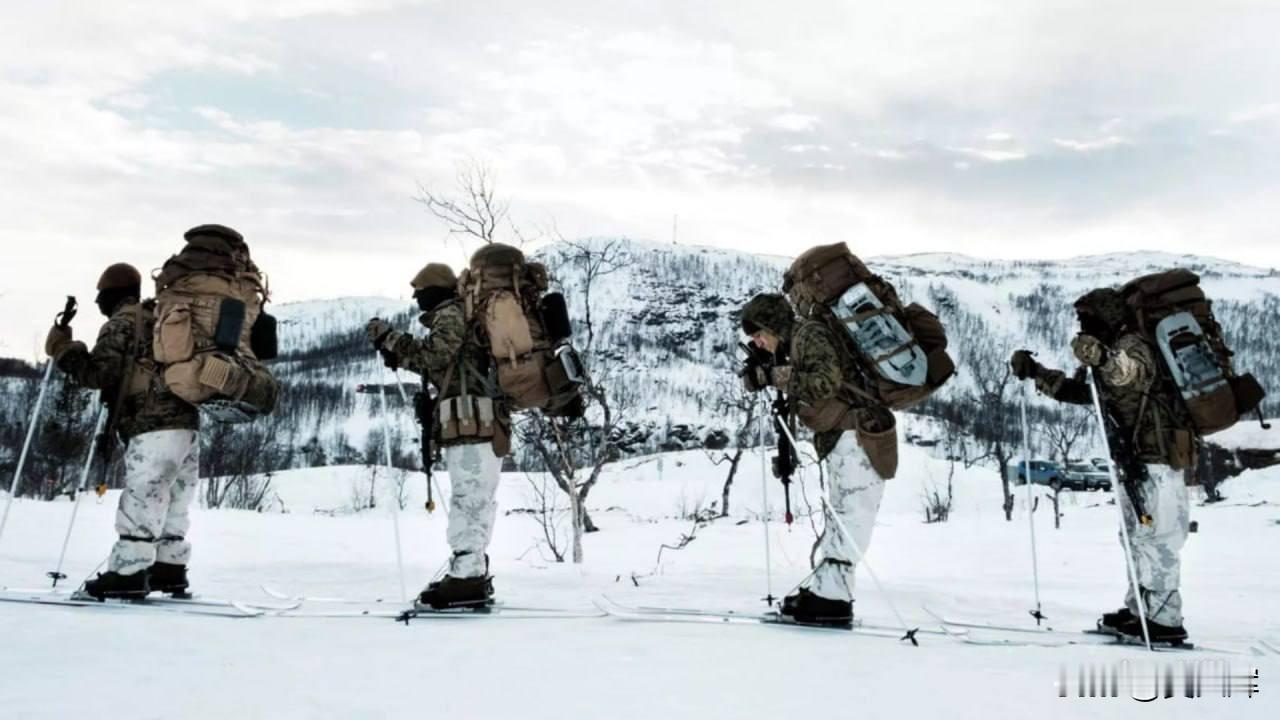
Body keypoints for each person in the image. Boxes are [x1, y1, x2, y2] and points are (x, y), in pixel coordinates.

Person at [1010, 288, 1193, 644]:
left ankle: (1166, 619)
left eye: (1088, 317)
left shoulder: (1133, 344)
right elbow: (1084, 394)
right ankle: (1141, 609)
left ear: (1107, 315)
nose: (1083, 324)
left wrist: (1103, 357)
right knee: (1135, 537)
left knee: (1158, 537)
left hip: (1158, 458)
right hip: (1132, 459)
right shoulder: (1105, 348)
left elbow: (1130, 373)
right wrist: (1037, 373)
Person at [739, 292, 896, 627]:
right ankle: (829, 591)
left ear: (773, 325)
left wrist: (772, 375)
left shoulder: (810, 334)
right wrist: (769, 369)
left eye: (759, 334)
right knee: (842, 514)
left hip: (859, 434)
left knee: (850, 515)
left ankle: (832, 600)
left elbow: (825, 382)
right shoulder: (795, 343)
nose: (758, 342)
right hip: (844, 437)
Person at [45, 263, 201, 599]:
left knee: (145, 493)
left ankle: (129, 572)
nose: (97, 302)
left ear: (111, 294)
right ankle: (169, 567)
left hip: (150, 421)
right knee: (175, 496)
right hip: (187, 420)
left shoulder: (121, 323)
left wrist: (63, 350)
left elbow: (99, 374)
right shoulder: (161, 316)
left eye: (100, 295)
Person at [366, 263, 510, 610]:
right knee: (475, 497)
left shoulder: (450, 314)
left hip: (471, 421)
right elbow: (446, 362)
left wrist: (390, 339)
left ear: (435, 290)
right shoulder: (461, 315)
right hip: (475, 421)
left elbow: (436, 355)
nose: (416, 297)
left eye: (420, 291)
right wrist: (399, 352)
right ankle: (470, 569)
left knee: (469, 498)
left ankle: (467, 577)